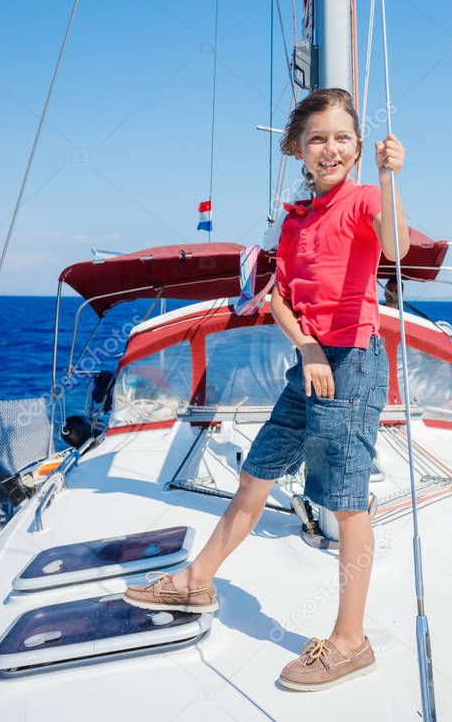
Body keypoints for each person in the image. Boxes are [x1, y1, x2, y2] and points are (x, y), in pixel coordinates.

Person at [123, 87, 410, 692]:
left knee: (345, 500)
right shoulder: (296, 217)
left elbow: (395, 249)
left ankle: (350, 641)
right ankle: (199, 579)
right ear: (298, 150)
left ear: (358, 147)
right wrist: (306, 347)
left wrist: (389, 179)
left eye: (341, 137)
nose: (329, 147)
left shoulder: (363, 198)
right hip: (310, 364)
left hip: (352, 361)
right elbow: (279, 296)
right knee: (255, 474)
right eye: (317, 138)